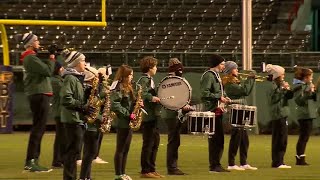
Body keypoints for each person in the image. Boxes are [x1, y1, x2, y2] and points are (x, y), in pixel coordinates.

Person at [20, 33, 55, 172]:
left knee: (39, 128)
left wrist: (49, 57)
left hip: (39, 94)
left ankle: (33, 160)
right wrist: (52, 57)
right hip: (39, 94)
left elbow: (45, 69)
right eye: (37, 41)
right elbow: (48, 71)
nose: (39, 43)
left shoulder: (31, 58)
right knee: (38, 129)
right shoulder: (30, 57)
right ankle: (31, 161)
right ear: (30, 44)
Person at [60, 50, 94, 180]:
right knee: (72, 153)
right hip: (72, 120)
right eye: (83, 60)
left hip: (76, 119)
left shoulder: (76, 78)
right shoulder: (70, 78)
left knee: (74, 153)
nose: (85, 63)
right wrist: (82, 107)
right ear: (76, 63)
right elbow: (66, 98)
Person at [221, 61, 257, 171]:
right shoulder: (229, 84)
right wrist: (250, 79)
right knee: (236, 138)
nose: (237, 70)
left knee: (244, 139)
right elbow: (245, 91)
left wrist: (251, 80)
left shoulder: (236, 82)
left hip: (242, 111)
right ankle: (231, 163)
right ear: (230, 71)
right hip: (236, 112)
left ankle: (243, 162)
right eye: (235, 69)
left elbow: (246, 91)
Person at [161, 58, 193, 175]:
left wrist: (184, 105)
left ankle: (173, 166)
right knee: (173, 141)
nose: (181, 71)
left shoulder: (169, 80)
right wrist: (182, 106)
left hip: (174, 114)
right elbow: (170, 99)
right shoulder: (170, 81)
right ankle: (172, 168)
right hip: (171, 114)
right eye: (179, 69)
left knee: (175, 141)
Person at [200, 54, 230, 173]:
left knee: (219, 139)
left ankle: (217, 164)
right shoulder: (209, 75)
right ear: (216, 64)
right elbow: (204, 93)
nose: (224, 66)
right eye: (222, 63)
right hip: (211, 111)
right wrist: (219, 97)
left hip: (217, 110)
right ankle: (214, 165)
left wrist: (224, 97)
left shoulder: (216, 75)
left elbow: (218, 92)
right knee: (215, 140)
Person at [111, 65, 142, 180]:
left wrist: (138, 105)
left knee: (126, 149)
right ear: (124, 76)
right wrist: (128, 114)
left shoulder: (129, 87)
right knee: (120, 149)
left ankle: (123, 173)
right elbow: (115, 105)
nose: (131, 77)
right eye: (130, 75)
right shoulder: (119, 87)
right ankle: (118, 174)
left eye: (132, 75)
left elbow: (131, 103)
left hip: (128, 121)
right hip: (122, 122)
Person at [137, 56, 164, 178]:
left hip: (153, 115)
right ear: (150, 68)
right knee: (148, 144)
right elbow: (141, 93)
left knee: (155, 143)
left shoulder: (150, 79)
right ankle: (145, 170)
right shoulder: (144, 79)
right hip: (148, 116)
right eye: (155, 66)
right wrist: (152, 97)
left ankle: (152, 168)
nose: (156, 68)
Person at [265, 64, 293, 169]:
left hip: (282, 113)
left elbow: (290, 96)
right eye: (282, 74)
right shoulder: (272, 86)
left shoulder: (280, 84)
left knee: (283, 139)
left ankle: (279, 161)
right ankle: (278, 162)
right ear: (277, 75)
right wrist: (282, 90)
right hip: (277, 114)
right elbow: (273, 100)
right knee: (279, 139)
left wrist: (287, 89)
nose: (284, 76)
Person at [292, 67, 316, 166]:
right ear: (306, 77)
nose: (312, 78)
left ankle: (301, 157)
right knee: (303, 137)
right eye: (311, 76)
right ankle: (300, 158)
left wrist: (312, 91)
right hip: (304, 114)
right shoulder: (299, 86)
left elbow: (312, 98)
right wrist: (307, 92)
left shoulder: (307, 85)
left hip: (308, 114)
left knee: (305, 137)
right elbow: (299, 101)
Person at [51, 61, 65, 168]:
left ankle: (62, 159)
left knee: (63, 137)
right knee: (60, 137)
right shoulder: (55, 81)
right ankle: (57, 160)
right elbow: (62, 92)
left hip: (62, 111)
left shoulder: (59, 80)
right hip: (59, 111)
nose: (63, 69)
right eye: (61, 68)